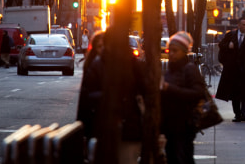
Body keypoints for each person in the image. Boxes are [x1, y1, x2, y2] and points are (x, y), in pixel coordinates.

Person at [76, 29, 146, 164]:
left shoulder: (134, 65)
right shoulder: (96, 65)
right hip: (103, 129)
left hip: (128, 131)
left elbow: (145, 94)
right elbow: (85, 100)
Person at [160, 31, 206, 164]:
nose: (171, 54)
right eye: (170, 50)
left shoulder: (189, 69)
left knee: (183, 158)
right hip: (170, 125)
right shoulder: (170, 70)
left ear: (184, 51)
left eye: (175, 51)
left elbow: (198, 93)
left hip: (184, 125)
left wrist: (170, 88)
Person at [216, 17, 245, 122]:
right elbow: (221, 45)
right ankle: (237, 114)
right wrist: (228, 46)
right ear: (239, 25)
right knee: (234, 93)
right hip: (233, 70)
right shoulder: (230, 36)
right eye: (244, 24)